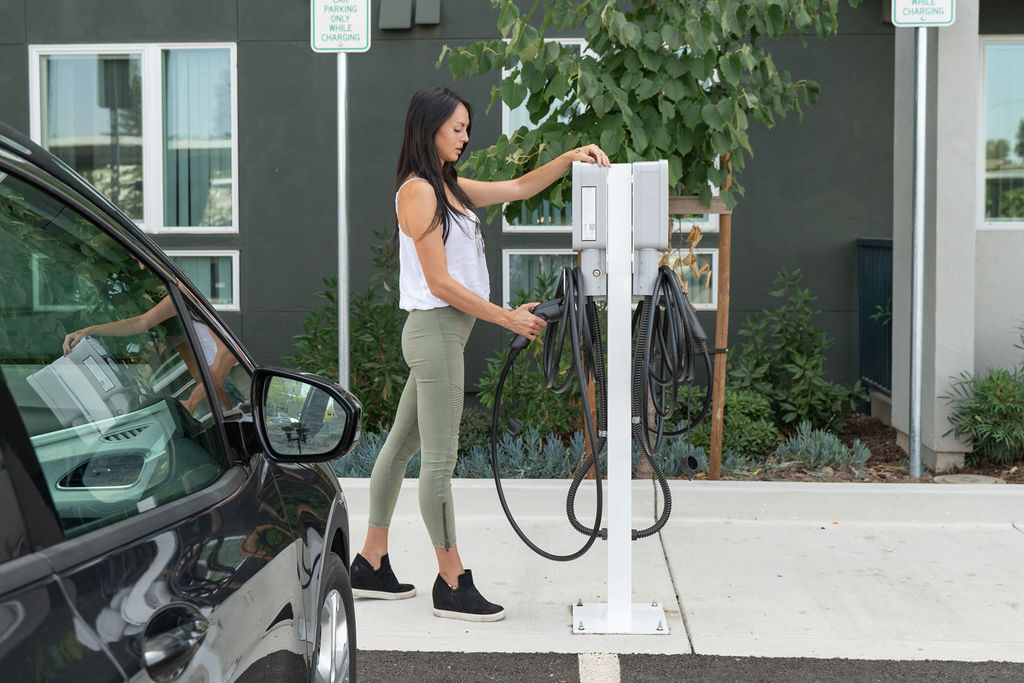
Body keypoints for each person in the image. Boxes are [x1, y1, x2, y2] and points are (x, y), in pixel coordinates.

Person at [351, 86, 609, 622]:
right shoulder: (418, 192)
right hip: (436, 334)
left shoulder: (450, 189)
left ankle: (371, 563)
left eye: (468, 128)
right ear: (430, 129)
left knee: (400, 448)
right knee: (439, 464)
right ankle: (451, 580)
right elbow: (440, 283)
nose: (466, 138)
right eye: (457, 129)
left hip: (443, 335)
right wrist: (506, 316)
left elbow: (517, 186)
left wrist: (568, 157)